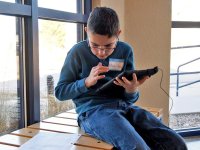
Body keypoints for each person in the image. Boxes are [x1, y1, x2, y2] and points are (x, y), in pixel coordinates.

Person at [55, 7, 187, 150]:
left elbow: (130, 99)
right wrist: (86, 82)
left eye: (108, 46)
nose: (101, 52)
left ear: (118, 34)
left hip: (125, 107)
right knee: (138, 147)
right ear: (87, 31)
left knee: (177, 144)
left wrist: (132, 90)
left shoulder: (125, 50)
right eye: (94, 45)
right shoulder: (77, 52)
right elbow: (60, 92)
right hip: (93, 112)